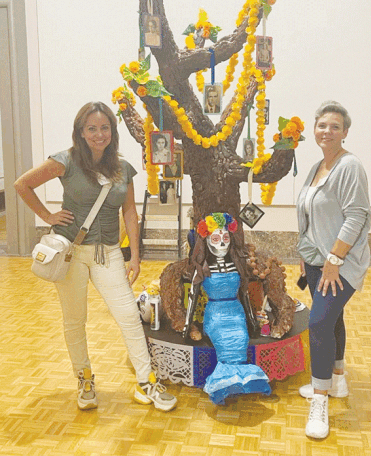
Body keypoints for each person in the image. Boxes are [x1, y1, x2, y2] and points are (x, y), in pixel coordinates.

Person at [14, 101, 177, 412]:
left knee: (129, 315)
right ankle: (85, 378)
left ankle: (147, 381)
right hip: (71, 252)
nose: (99, 134)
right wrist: (47, 216)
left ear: (112, 131)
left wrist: (135, 257)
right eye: (92, 128)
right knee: (75, 320)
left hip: (110, 254)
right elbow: (23, 185)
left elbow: (130, 211)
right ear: (81, 131)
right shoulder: (65, 161)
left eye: (105, 128)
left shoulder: (122, 167)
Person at [296, 101, 371, 439]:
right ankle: (337, 379)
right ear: (315, 129)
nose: (327, 131)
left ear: (345, 132)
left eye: (335, 126)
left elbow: (357, 216)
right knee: (333, 317)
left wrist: (334, 260)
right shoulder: (316, 167)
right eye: (322, 125)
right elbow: (311, 215)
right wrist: (305, 252)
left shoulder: (349, 166)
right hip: (315, 261)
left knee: (319, 322)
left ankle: (320, 399)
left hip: (338, 264)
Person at [183, 213, 271, 404]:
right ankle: (227, 381)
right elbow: (192, 296)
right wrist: (186, 326)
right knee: (224, 340)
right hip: (215, 313)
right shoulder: (202, 268)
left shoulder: (237, 265)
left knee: (241, 337)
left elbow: (245, 294)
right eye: (216, 238)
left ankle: (237, 380)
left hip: (236, 312)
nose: (222, 243)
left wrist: (251, 319)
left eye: (225, 238)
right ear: (207, 240)